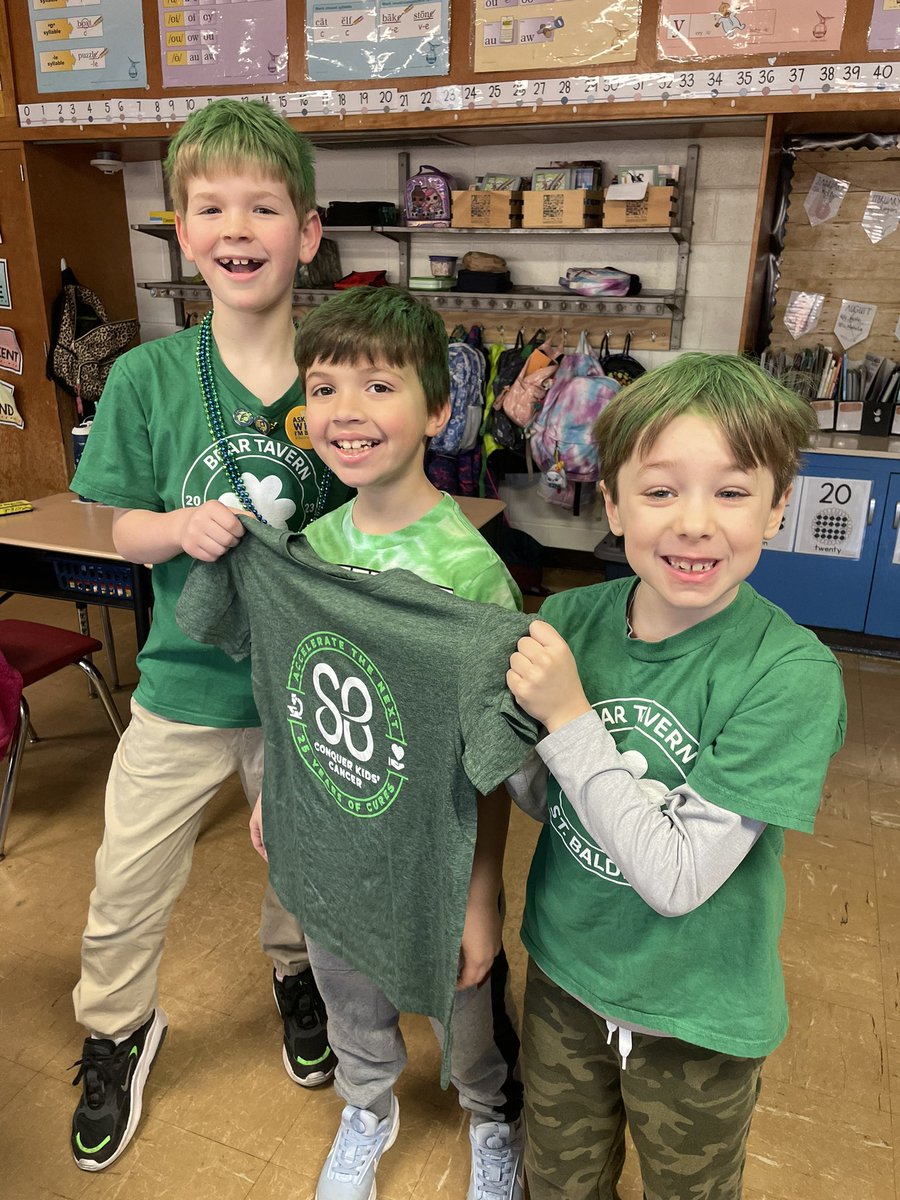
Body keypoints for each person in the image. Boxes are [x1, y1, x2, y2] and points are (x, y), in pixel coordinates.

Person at [177, 286, 533, 1200]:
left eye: (378, 387)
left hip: (431, 853)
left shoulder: (472, 578)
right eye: (325, 387)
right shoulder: (305, 548)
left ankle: (492, 1116)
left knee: (466, 1003)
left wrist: (478, 897)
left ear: (439, 411)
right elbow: (294, 689)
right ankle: (367, 1105)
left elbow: (490, 763)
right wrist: (280, 791)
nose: (346, 411)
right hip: (335, 833)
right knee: (345, 986)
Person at [68, 98, 352, 1173]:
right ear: (182, 232)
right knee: (126, 879)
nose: (239, 227)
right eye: (213, 208)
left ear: (307, 233)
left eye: (265, 207)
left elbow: (386, 516)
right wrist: (177, 526)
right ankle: (117, 1029)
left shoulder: (343, 371)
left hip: (309, 692)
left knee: (306, 873)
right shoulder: (145, 377)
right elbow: (118, 528)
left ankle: (297, 977)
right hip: (183, 686)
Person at [505, 353, 847, 1200]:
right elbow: (544, 799)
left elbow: (677, 879)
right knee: (557, 1180)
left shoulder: (791, 675)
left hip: (697, 1018)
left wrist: (568, 717)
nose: (695, 523)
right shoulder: (569, 619)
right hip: (563, 976)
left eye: (731, 492)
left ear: (777, 506)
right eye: (660, 491)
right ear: (614, 503)